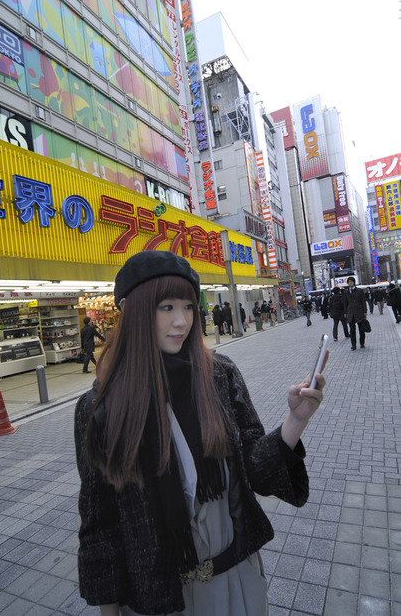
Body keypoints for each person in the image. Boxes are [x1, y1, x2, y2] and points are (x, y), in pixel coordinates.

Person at [74, 250, 327, 616]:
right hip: (160, 599)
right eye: (166, 307)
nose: (182, 322)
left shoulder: (219, 375)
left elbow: (254, 468)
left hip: (237, 580)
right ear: (131, 312)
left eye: (189, 307)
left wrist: (296, 420)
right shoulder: (102, 407)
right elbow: (100, 525)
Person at [343, 277, 367, 350]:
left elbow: (363, 301)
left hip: (359, 311)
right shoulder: (346, 292)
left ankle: (362, 343)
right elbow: (345, 303)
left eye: (352, 281)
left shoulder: (359, 291)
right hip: (350, 313)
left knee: (361, 329)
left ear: (354, 282)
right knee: (352, 330)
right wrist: (345, 312)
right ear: (347, 283)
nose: (350, 283)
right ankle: (353, 344)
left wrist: (365, 311)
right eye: (349, 282)